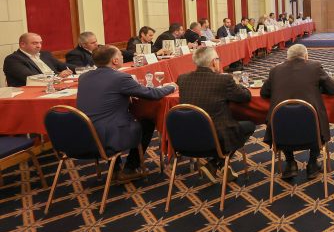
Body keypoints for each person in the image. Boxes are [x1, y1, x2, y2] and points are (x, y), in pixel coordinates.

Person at [77, 45, 175, 180]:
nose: (123, 57)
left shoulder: (83, 77)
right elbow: (152, 94)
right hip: (108, 135)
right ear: (115, 61)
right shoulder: (120, 78)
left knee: (109, 119)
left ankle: (115, 168)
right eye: (121, 55)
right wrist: (171, 87)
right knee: (147, 122)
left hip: (84, 133)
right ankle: (130, 168)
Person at [260, 44, 334, 180]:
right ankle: (312, 163)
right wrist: (318, 88)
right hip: (312, 132)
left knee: (284, 120)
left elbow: (264, 93)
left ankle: (290, 163)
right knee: (315, 117)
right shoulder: (315, 67)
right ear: (306, 56)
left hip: (281, 132)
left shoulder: (275, 70)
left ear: (287, 58)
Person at [177, 47, 254, 183]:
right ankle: (216, 163)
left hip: (186, 135)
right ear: (213, 62)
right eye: (218, 59)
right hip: (215, 136)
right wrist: (237, 83)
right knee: (249, 125)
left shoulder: (182, 79)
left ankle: (215, 164)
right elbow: (245, 96)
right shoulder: (223, 80)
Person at [3, 33, 72, 87]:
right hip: (30, 92)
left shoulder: (45, 54)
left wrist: (78, 69)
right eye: (34, 43)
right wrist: (57, 77)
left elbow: (62, 65)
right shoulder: (13, 59)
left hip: (55, 86)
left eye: (40, 43)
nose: (39, 46)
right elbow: (31, 78)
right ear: (22, 44)